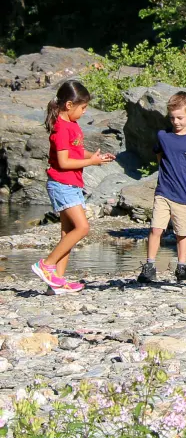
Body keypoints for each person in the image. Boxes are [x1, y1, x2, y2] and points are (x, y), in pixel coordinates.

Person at [31, 80, 115, 294]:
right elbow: (64, 162)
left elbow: (76, 154)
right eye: (83, 108)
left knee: (68, 233)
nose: (84, 112)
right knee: (82, 228)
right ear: (69, 105)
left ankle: (56, 283)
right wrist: (91, 163)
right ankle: (46, 265)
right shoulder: (60, 128)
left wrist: (95, 157)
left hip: (72, 183)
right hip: (62, 184)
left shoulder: (72, 125)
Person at [138, 91, 186, 284]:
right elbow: (160, 156)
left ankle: (181, 267)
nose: (176, 122)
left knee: (182, 233)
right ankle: (149, 266)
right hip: (164, 192)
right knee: (156, 228)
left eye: (180, 118)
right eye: (172, 118)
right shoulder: (163, 136)